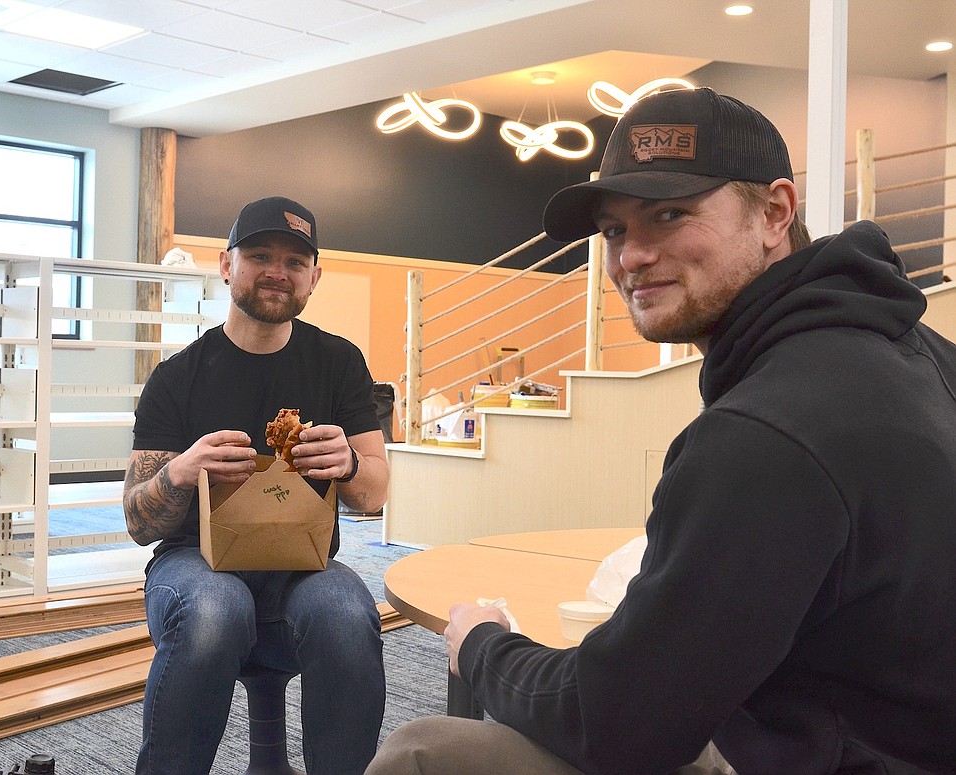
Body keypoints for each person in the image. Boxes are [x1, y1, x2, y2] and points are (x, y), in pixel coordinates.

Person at [367, 87, 956, 775]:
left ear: (774, 213)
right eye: (615, 230)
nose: (631, 256)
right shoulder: (920, 351)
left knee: (423, 755)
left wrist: (485, 644)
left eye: (671, 213)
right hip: (859, 726)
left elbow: (616, 725)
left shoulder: (765, 432)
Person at [124, 196, 389, 775]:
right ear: (226, 265)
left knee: (348, 614)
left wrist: (346, 462)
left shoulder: (339, 363)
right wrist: (180, 471)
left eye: (296, 262)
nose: (278, 271)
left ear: (314, 277)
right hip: (196, 564)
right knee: (216, 608)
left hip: (305, 568)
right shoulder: (177, 377)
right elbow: (139, 523)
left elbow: (373, 495)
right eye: (260, 255)